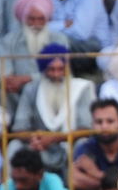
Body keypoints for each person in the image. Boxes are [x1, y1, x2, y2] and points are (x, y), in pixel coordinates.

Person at [11, 44, 96, 177]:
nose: (57, 75)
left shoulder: (80, 89)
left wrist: (54, 138)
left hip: (69, 145)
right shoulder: (31, 89)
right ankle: (10, 188)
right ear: (43, 70)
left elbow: (85, 129)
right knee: (14, 145)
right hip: (38, 148)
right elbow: (19, 127)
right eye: (51, 69)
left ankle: (77, 187)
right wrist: (35, 138)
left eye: (61, 69)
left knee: (83, 144)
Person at [0, 0, 73, 117]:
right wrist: (9, 81)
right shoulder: (10, 40)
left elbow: (62, 72)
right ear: (23, 19)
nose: (36, 24)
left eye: (41, 19)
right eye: (31, 19)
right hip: (17, 93)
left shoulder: (59, 40)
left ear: (47, 19)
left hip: (47, 86)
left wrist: (27, 79)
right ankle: (9, 121)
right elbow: (4, 70)